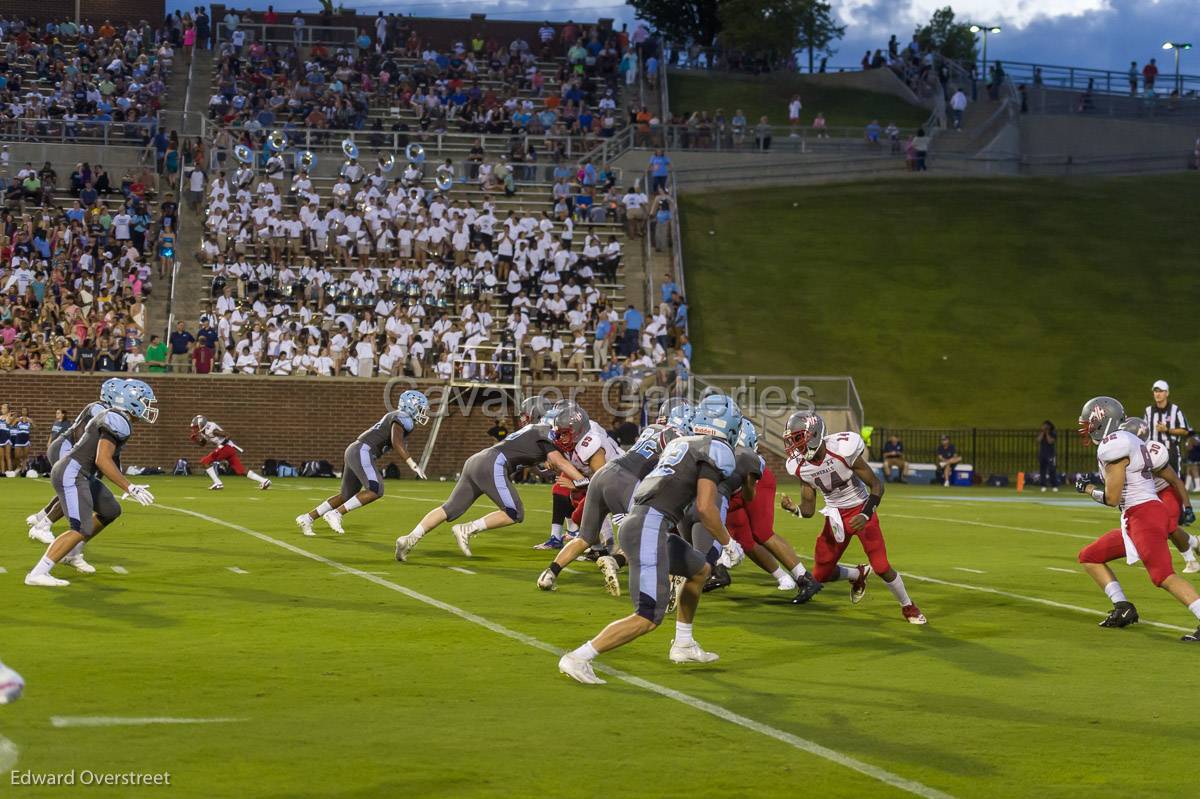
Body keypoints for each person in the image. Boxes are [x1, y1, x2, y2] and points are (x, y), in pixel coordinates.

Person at [557, 395, 746, 684]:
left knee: (700, 571)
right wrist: (729, 542)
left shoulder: (682, 443)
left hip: (645, 521)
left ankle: (683, 644)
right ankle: (579, 657)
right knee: (648, 615)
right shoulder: (716, 448)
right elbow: (707, 507)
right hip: (649, 526)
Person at [394, 400, 590, 561]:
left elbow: (537, 465)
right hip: (493, 463)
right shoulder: (544, 432)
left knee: (449, 508)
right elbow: (560, 462)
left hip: (477, 461)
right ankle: (467, 529)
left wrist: (547, 467)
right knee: (514, 512)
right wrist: (584, 480)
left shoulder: (531, 432)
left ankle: (409, 539)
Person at [780, 412, 925, 624]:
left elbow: (877, 485)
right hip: (835, 516)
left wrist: (866, 513)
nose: (795, 446)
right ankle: (857, 574)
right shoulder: (801, 466)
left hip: (860, 509)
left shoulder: (841, 450)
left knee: (882, 566)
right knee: (820, 575)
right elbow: (809, 509)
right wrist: (794, 509)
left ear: (815, 435)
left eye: (799, 439)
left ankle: (909, 607)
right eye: (793, 440)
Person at [1074, 397, 1200, 640]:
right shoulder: (1130, 439)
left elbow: (1112, 498)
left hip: (1143, 516)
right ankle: (1123, 608)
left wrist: (1088, 489)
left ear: (1102, 421)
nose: (1087, 427)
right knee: (1090, 556)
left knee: (1163, 576)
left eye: (1091, 422)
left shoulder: (1113, 445)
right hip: (1140, 516)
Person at [538, 400, 691, 595]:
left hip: (605, 476)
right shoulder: (679, 438)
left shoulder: (651, 428)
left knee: (585, 537)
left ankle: (549, 573)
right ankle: (654, 579)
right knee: (645, 533)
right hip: (625, 482)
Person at [24, 381, 158, 588]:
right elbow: (102, 460)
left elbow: (108, 459)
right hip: (72, 473)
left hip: (81, 473)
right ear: (131, 401)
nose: (148, 406)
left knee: (110, 510)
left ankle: (71, 553)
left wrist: (125, 482)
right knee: (81, 527)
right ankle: (38, 572)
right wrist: (129, 487)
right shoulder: (117, 420)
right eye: (144, 401)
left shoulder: (116, 417)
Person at [698, 419, 823, 602]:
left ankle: (805, 578)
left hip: (755, 480)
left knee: (762, 533)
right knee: (740, 537)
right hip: (734, 488)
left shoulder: (739, 450)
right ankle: (721, 570)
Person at [296, 391, 430, 536]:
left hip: (355, 449)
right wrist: (413, 464)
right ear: (410, 406)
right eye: (420, 409)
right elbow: (396, 442)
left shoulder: (398, 418)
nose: (423, 413)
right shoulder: (402, 417)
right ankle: (336, 514)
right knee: (375, 489)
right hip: (363, 450)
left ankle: (307, 518)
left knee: (346, 495)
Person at [189, 415, 271, 490]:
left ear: (201, 425)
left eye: (196, 427)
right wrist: (195, 440)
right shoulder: (204, 431)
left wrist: (221, 446)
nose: (194, 429)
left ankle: (218, 483)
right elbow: (203, 444)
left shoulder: (212, 430)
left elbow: (228, 434)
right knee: (240, 470)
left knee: (204, 461)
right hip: (229, 449)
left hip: (226, 448)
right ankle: (264, 481)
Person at [1144, 380, 1189, 474]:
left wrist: (1167, 430)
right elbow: (1144, 430)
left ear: (1167, 393)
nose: (1158, 394)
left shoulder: (1175, 410)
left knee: (1174, 481)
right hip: (1152, 452)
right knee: (1152, 483)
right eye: (1156, 391)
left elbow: (1185, 431)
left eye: (1161, 391)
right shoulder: (1148, 411)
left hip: (1171, 451)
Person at [1037, 421, 1059, 492]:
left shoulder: (1053, 433)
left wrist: (1047, 433)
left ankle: (1054, 485)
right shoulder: (1041, 433)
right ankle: (1043, 485)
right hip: (1042, 454)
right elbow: (1038, 440)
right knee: (1042, 470)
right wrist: (1043, 433)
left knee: (1052, 470)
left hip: (1050, 455)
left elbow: (1050, 441)